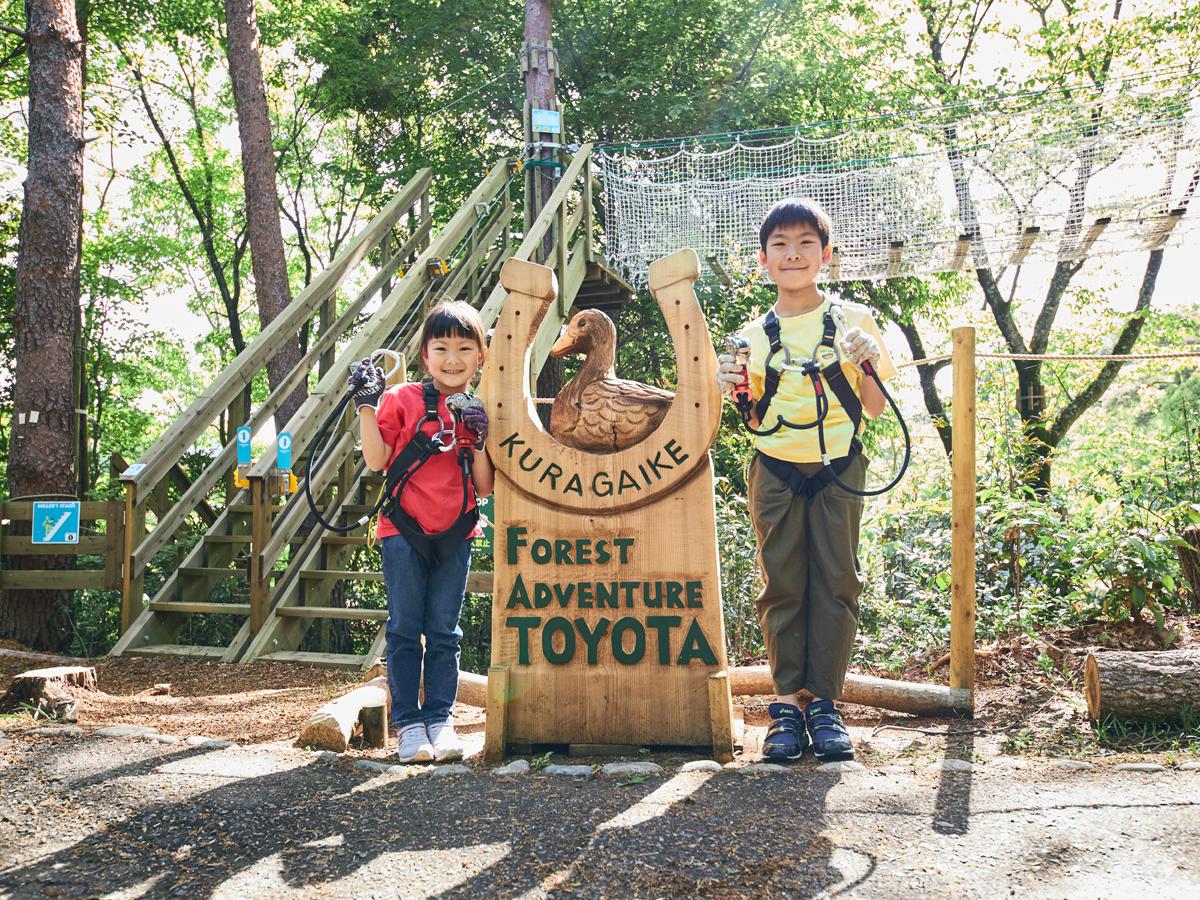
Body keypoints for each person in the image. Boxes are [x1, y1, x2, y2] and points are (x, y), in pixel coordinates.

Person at [717, 198, 896, 762]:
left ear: (826, 254)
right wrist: (732, 387)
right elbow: (752, 418)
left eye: (805, 244)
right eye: (780, 246)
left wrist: (867, 361)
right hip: (775, 469)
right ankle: (787, 706)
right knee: (782, 583)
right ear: (763, 260)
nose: (793, 255)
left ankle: (825, 703)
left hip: (839, 466)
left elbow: (875, 409)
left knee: (839, 580)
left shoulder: (853, 322)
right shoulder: (752, 337)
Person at [349, 301, 495, 763]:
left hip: (457, 530)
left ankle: (440, 718)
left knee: (445, 631)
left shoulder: (478, 407)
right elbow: (376, 461)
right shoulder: (402, 400)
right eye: (442, 348)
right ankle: (410, 725)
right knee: (405, 629)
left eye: (464, 348)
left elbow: (486, 485)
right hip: (403, 529)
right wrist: (367, 408)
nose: (453, 358)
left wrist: (482, 439)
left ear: (480, 356)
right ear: (425, 355)